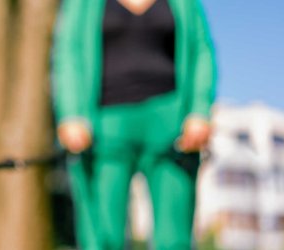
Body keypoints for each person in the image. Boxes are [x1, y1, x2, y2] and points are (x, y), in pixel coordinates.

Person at [51, 0, 216, 249]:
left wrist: (199, 110)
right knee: (101, 238)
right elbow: (68, 50)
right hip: (104, 126)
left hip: (173, 125)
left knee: (175, 239)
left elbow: (201, 49)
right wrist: (71, 113)